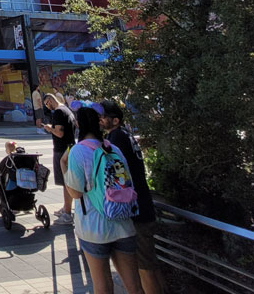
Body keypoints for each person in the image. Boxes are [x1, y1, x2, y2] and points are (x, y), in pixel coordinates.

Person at [61, 105, 143, 294]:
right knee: (135, 287)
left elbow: (75, 193)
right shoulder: (113, 148)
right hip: (123, 222)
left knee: (103, 286)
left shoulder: (77, 151)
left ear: (79, 125)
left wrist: (63, 166)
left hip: (94, 227)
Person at [100, 99, 166, 294]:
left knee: (145, 265)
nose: (100, 120)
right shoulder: (125, 135)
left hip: (137, 211)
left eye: (104, 117)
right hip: (143, 205)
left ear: (115, 120)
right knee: (149, 263)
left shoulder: (116, 138)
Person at [41, 92, 77, 224]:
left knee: (65, 182)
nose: (47, 106)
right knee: (67, 180)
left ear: (50, 100)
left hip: (62, 150)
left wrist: (49, 128)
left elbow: (60, 133)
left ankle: (67, 214)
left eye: (47, 103)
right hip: (69, 148)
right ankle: (66, 207)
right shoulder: (67, 109)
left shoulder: (58, 112)